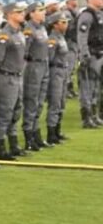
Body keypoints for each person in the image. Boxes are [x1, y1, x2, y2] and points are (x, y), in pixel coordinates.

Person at [0, 2, 28, 161]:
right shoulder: (4, 35)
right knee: (4, 113)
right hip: (6, 77)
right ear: (10, 14)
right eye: (18, 11)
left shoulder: (19, 33)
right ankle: (1, 148)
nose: (22, 14)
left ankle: (13, 145)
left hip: (18, 77)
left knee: (16, 111)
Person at [21, 2, 52, 151]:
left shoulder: (42, 27)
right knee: (31, 101)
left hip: (43, 65)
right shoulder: (29, 29)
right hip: (33, 66)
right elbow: (24, 52)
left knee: (39, 102)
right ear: (32, 13)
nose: (44, 12)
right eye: (40, 10)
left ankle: (36, 133)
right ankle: (29, 136)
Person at [76, 0, 103, 128]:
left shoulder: (98, 14)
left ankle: (94, 115)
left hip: (98, 54)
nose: (101, 0)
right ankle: (86, 118)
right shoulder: (86, 15)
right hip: (91, 55)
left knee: (96, 87)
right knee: (87, 87)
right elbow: (82, 36)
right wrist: (84, 55)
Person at [46, 11, 72, 144]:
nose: (66, 24)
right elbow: (48, 59)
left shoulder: (61, 37)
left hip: (63, 71)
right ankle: (51, 134)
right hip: (55, 71)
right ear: (55, 25)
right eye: (63, 22)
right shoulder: (52, 39)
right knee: (55, 102)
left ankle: (57, 130)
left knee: (61, 102)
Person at [63, 0, 80, 99]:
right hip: (69, 42)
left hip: (74, 42)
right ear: (69, 2)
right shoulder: (66, 13)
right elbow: (68, 29)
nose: (76, 1)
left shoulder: (74, 12)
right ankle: (65, 90)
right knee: (68, 67)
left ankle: (69, 89)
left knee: (71, 67)